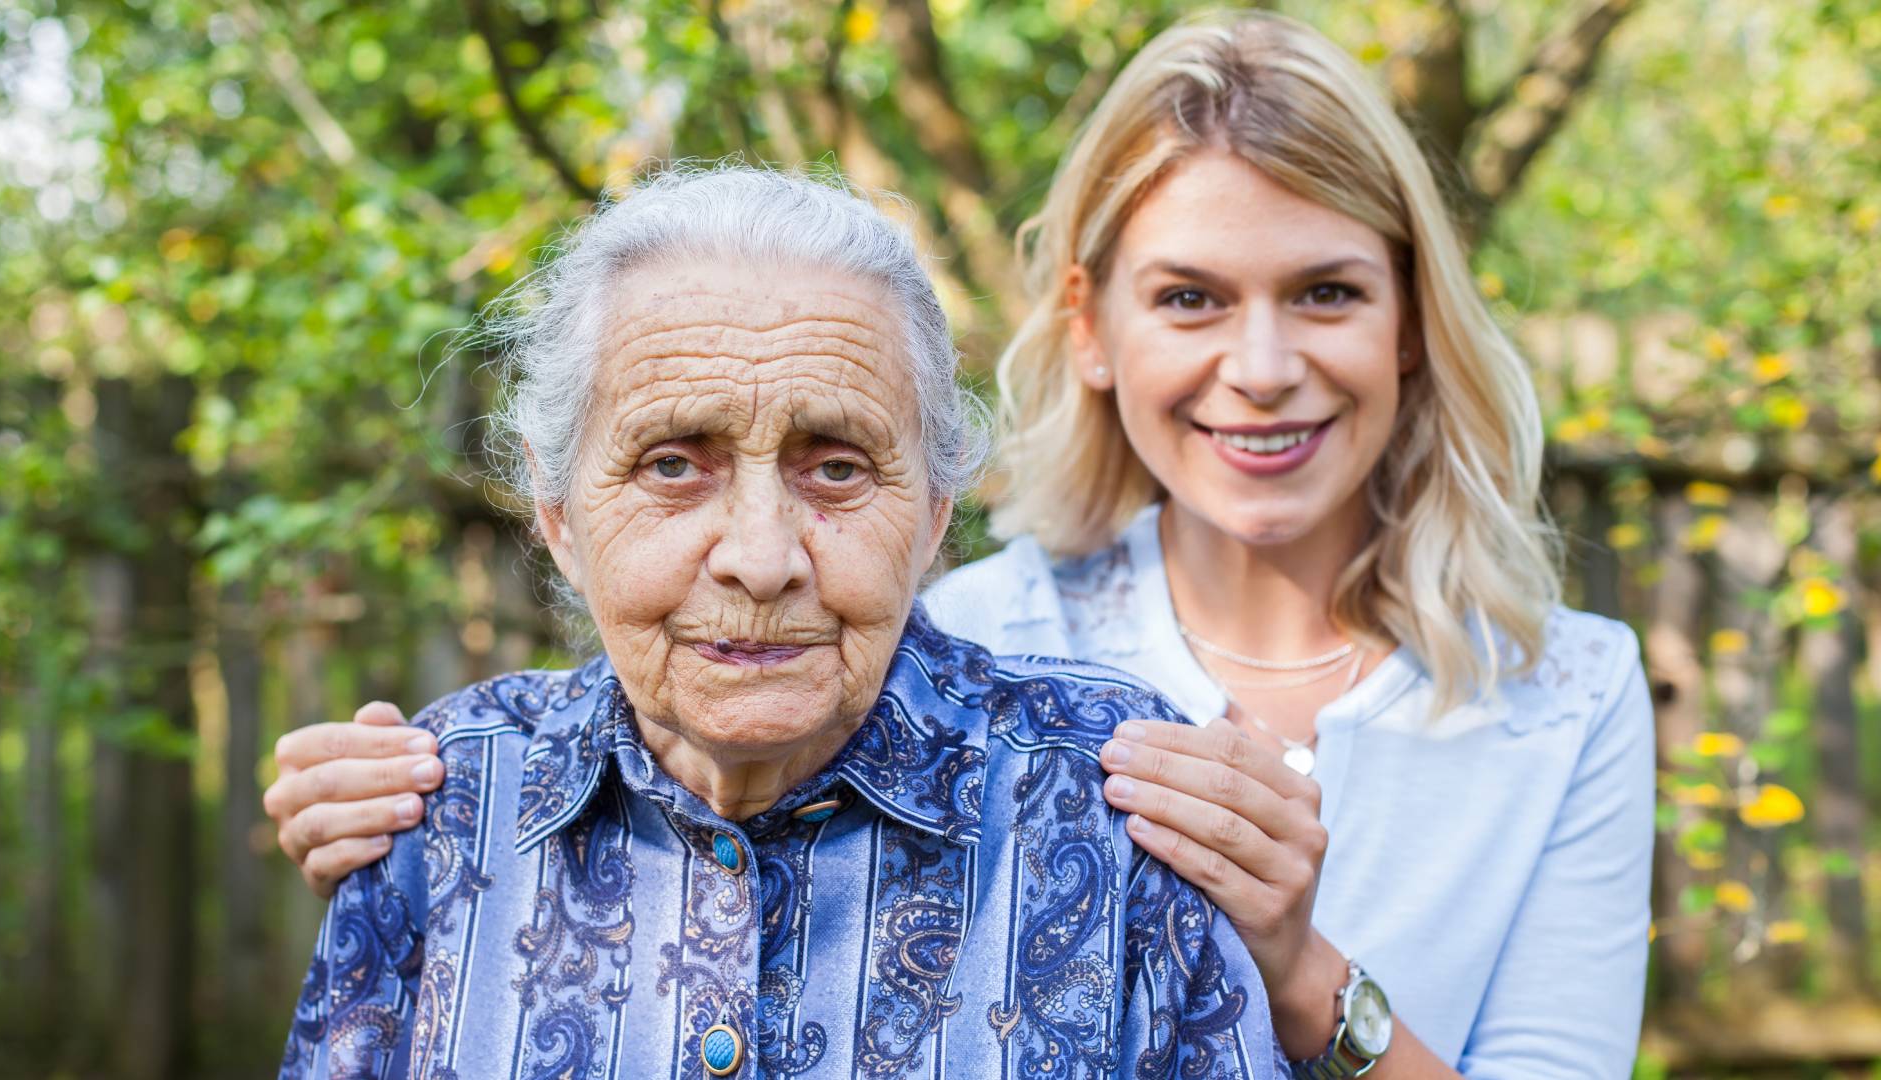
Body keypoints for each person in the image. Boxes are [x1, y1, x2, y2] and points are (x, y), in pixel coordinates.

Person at [266, 12, 1655, 1078]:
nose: (1264, 365)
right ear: (1091, 325)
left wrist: (1301, 970)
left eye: (1328, 292)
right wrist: (406, 827)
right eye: (1189, 296)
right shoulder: (959, 622)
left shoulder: (1562, 693)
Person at [277, 165, 1281, 1080]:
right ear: (559, 518)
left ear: (933, 515)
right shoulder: (442, 806)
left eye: (836, 467)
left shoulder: (1114, 799)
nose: (760, 559)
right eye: (673, 464)